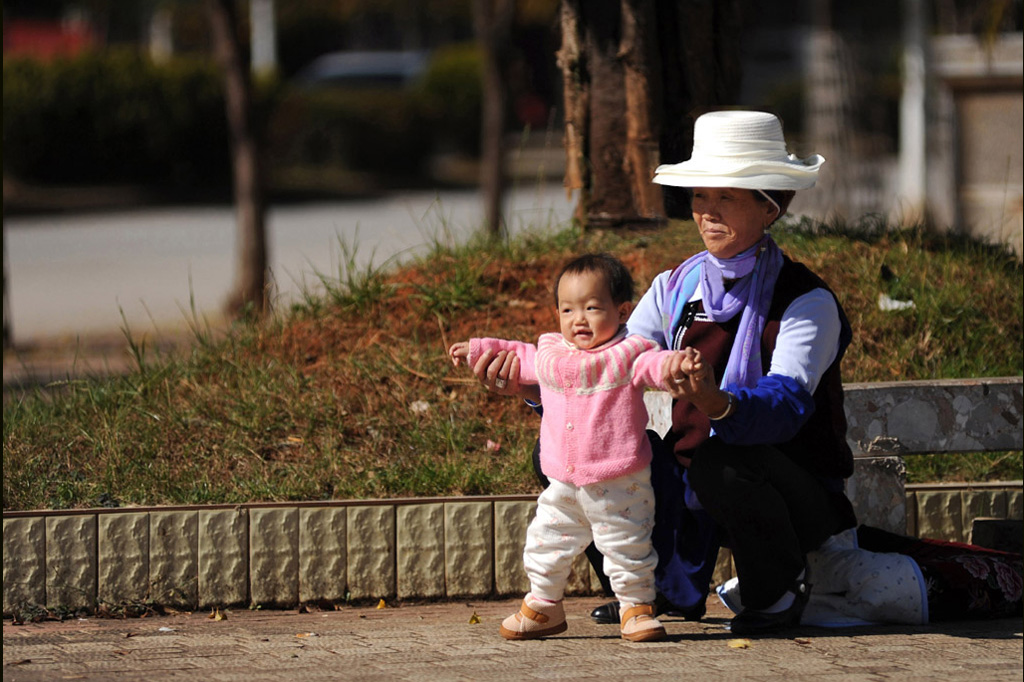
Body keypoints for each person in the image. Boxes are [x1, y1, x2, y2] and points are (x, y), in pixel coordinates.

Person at [473, 110, 857, 635]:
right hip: (693, 476)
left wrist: (716, 401)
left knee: (722, 460)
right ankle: (645, 596)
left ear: (772, 206)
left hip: (789, 489)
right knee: (580, 450)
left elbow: (787, 407)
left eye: (727, 196)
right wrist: (534, 382)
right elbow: (606, 366)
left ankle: (776, 592)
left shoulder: (806, 302)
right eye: (700, 196)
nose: (707, 212)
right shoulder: (676, 286)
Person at [449, 253, 701, 642]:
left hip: (619, 479)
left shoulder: (628, 353)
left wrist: (677, 365)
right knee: (545, 541)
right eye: (568, 309)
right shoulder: (551, 352)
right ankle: (544, 605)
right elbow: (515, 354)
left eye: (592, 307)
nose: (578, 319)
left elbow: (656, 365)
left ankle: (636, 607)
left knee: (626, 545)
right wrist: (476, 350)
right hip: (563, 480)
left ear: (622, 311)